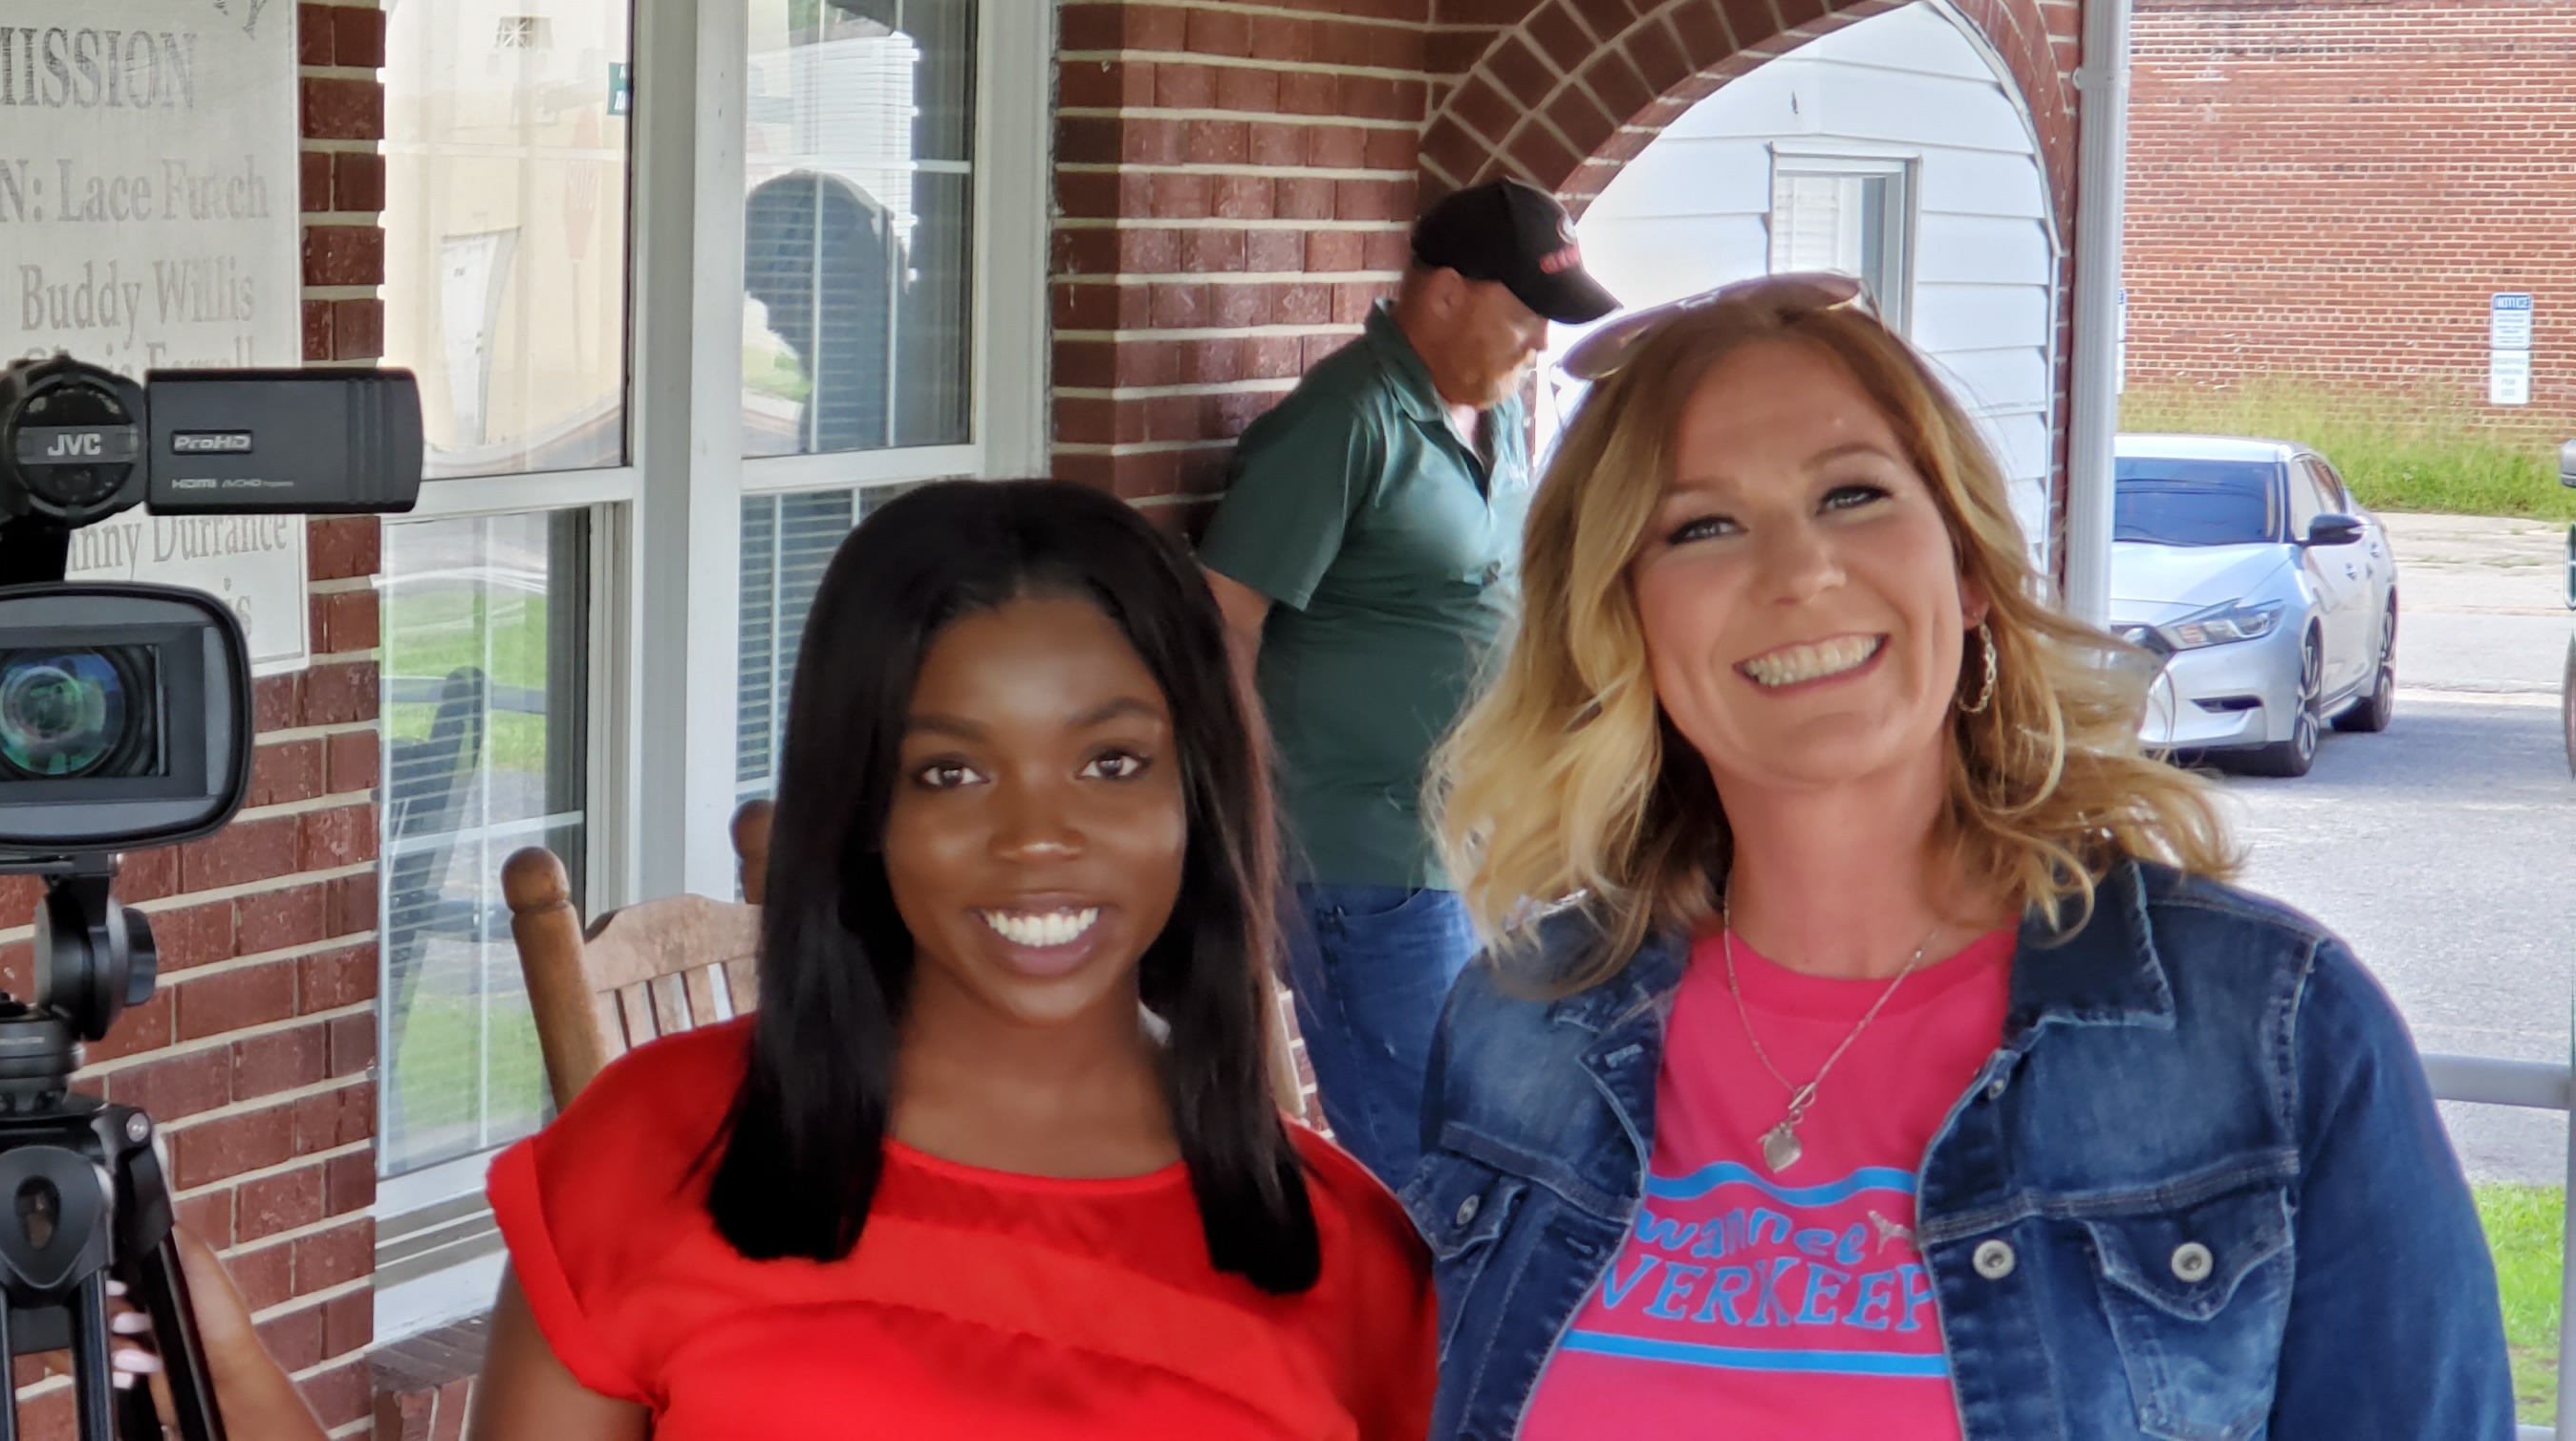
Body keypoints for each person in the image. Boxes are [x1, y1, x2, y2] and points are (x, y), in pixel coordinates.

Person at [1410, 273, 2512, 1438]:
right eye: (1701, 526)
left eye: (1850, 494)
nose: (1797, 573)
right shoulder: (1516, 1025)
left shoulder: (2272, 1035)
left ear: (1970, 571)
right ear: (1621, 616)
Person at [130, 478, 1436, 1439]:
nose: (1041, 837)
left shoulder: (1355, 1264)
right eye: (951, 771)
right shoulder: (658, 1152)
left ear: (1196, 793)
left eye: (1111, 762)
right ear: (861, 813)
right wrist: (230, 1369)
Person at [1199, 177, 1618, 1184]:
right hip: (1367, 866)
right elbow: (1222, 620)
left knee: (1493, 1130)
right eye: (1525, 318)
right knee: (1421, 1160)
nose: (1540, 347)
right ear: (1443, 296)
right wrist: (1239, 828)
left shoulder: (1499, 417)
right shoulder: (1346, 423)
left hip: (1474, 844)